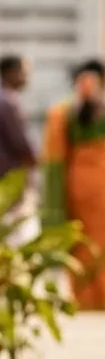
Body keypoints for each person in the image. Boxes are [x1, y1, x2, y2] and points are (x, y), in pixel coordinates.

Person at [41, 58, 105, 311]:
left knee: (82, 243)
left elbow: (57, 157)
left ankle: (84, 301)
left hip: (78, 188)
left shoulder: (65, 112)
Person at [0, 55, 39, 243]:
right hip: (11, 178)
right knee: (17, 236)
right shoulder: (8, 102)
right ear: (10, 73)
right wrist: (35, 159)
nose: (26, 77)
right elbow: (22, 144)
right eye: (23, 72)